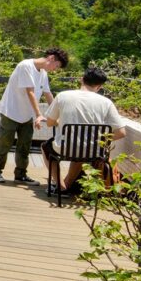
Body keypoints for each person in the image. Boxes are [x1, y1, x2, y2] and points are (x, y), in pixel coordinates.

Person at [42, 68, 127, 197]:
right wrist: (99, 142)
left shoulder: (63, 96)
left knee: (46, 148)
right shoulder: (106, 102)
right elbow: (121, 132)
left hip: (65, 148)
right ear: (99, 86)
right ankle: (67, 184)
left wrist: (60, 121)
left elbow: (49, 123)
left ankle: (60, 186)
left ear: (81, 79)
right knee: (83, 150)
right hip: (93, 150)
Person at [0, 47, 68, 185]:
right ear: (51, 58)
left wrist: (58, 114)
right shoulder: (25, 65)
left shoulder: (43, 73)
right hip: (11, 111)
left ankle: (20, 174)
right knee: (5, 142)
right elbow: (30, 92)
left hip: (27, 115)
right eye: (56, 66)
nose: (55, 70)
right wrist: (39, 115)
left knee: (25, 145)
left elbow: (48, 94)